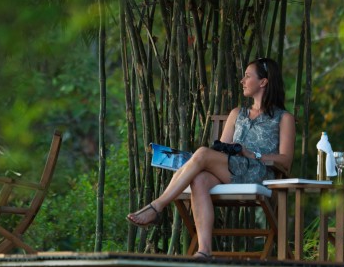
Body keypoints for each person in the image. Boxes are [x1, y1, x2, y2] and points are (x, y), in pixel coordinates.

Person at [126, 58, 296, 259]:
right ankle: (204, 251)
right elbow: (221, 150)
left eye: (248, 76)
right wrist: (195, 161)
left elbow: (285, 161)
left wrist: (254, 154)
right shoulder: (237, 114)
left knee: (203, 153)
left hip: (259, 172)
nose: (242, 80)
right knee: (199, 179)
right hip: (231, 169)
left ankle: (157, 206)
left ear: (263, 82)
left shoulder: (283, 118)